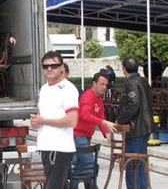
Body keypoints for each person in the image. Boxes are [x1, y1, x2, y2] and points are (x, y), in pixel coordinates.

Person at [30, 51, 79, 189]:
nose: (49, 69)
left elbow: (72, 121)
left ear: (62, 67)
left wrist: (44, 120)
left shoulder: (68, 89)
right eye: (46, 66)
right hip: (46, 145)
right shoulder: (44, 89)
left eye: (54, 65)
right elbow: (41, 116)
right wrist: (36, 122)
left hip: (59, 147)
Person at [116, 55, 155, 189]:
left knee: (133, 164)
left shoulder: (131, 82)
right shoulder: (144, 81)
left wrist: (120, 120)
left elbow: (133, 104)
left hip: (136, 128)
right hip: (144, 127)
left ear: (124, 69)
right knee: (139, 163)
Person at [72, 72, 116, 189]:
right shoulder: (88, 96)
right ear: (94, 83)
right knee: (90, 166)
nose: (104, 87)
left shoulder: (99, 99)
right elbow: (85, 115)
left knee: (77, 169)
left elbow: (101, 116)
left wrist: (107, 133)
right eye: (102, 84)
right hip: (79, 135)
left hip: (84, 136)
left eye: (105, 85)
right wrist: (103, 123)